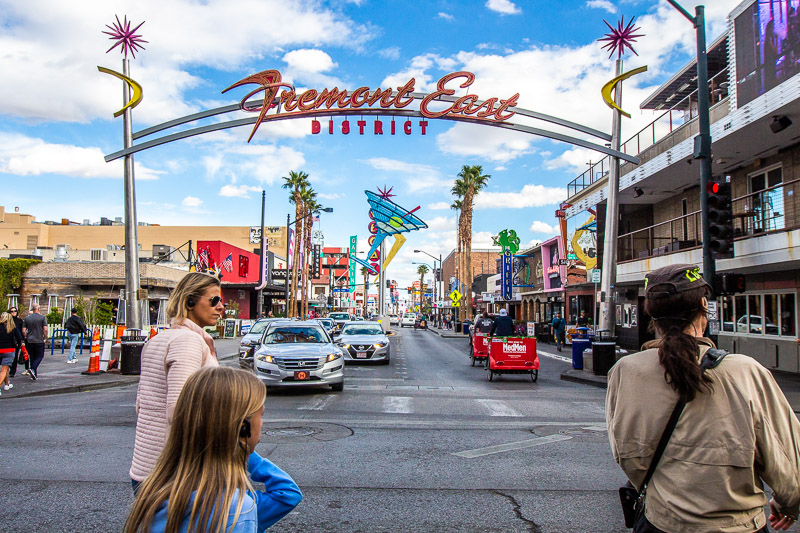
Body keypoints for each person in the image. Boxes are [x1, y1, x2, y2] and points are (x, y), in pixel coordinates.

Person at [606, 264, 800, 533]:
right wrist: (788, 503)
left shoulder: (625, 371)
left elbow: (625, 452)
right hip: (739, 525)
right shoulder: (746, 371)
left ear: (652, 314)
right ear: (703, 305)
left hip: (661, 522)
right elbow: (787, 456)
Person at [124, 367, 302, 533]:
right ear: (242, 428)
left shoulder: (154, 494)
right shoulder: (237, 509)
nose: (262, 423)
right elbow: (287, 493)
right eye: (260, 415)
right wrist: (246, 452)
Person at [130, 272, 224, 492]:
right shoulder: (188, 341)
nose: (220, 307)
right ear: (189, 301)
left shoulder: (159, 339)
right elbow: (180, 411)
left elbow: (140, 405)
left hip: (147, 467)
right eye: (214, 300)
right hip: (175, 474)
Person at [22, 303, 47, 380]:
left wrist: (26, 336)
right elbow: (45, 329)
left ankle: (34, 375)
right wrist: (44, 337)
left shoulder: (27, 318)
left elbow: (23, 330)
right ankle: (33, 368)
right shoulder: (42, 318)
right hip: (39, 339)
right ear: (38, 309)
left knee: (32, 357)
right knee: (39, 356)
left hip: (30, 340)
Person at [0, 312, 22, 395]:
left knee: (5, 369)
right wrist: (18, 345)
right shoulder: (12, 327)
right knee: (4, 369)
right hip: (9, 350)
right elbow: (19, 337)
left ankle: (6, 384)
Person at [7, 307, 27, 378]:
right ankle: (8, 369)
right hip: (8, 341)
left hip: (16, 341)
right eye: (12, 311)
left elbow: (22, 331)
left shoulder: (19, 321)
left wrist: (22, 340)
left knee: (14, 356)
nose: (13, 312)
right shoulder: (7, 321)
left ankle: (12, 371)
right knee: (8, 357)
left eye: (15, 311)